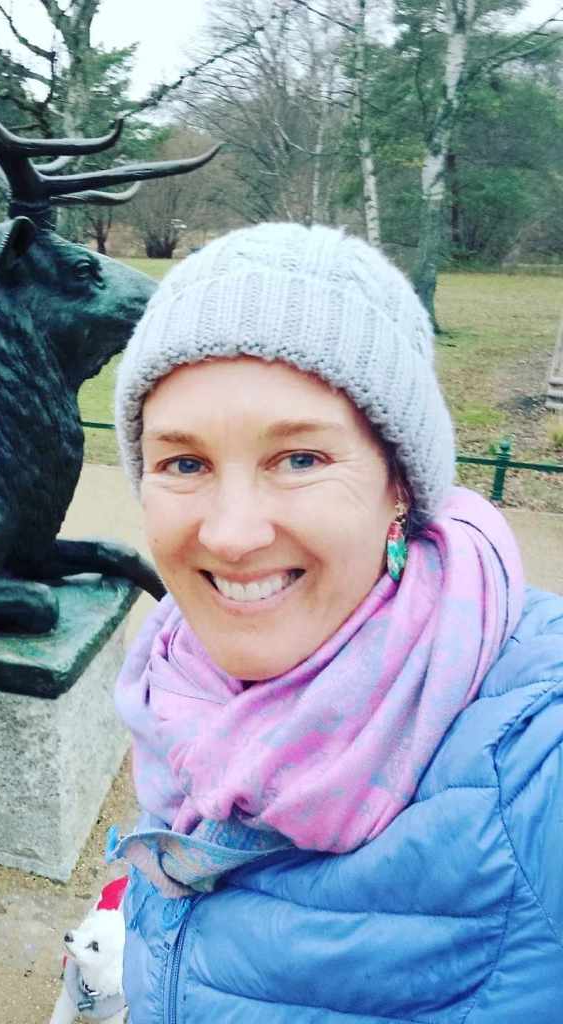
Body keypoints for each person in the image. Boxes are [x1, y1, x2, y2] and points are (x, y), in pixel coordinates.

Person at [108, 223, 563, 1022]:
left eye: (300, 459)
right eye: (185, 463)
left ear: (400, 485)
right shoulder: (176, 683)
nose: (231, 535)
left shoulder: (535, 759)